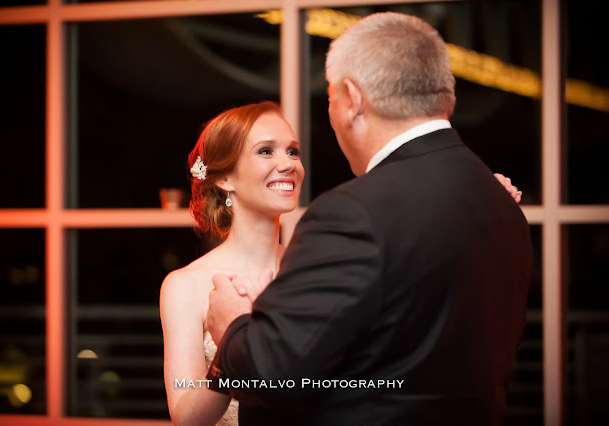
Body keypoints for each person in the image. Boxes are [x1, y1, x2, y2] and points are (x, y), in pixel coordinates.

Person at [205, 11, 532, 426]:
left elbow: (276, 377)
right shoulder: (500, 201)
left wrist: (233, 325)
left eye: (329, 98)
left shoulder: (353, 213)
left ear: (352, 99)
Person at [159, 101, 305, 426]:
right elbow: (186, 418)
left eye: (292, 152)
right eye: (266, 151)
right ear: (225, 178)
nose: (288, 164)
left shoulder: (311, 271)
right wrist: (232, 349)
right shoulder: (185, 285)